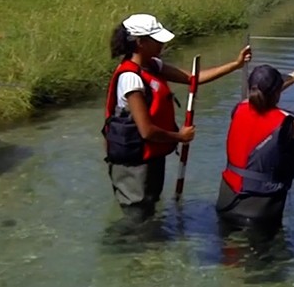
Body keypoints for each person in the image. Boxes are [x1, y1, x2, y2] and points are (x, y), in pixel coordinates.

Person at [102, 13, 251, 220]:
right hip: (133, 163)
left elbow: (192, 79)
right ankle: (133, 251)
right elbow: (146, 130)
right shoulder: (130, 79)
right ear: (140, 42)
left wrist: (235, 65)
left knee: (149, 211)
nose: (161, 45)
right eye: (156, 40)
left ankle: (150, 251)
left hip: (151, 156)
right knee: (136, 218)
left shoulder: (153, 65)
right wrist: (180, 137)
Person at [215, 56, 294, 230]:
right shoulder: (285, 126)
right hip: (260, 209)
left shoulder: (239, 108)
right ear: (277, 93)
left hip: (226, 200)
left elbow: (266, 92)